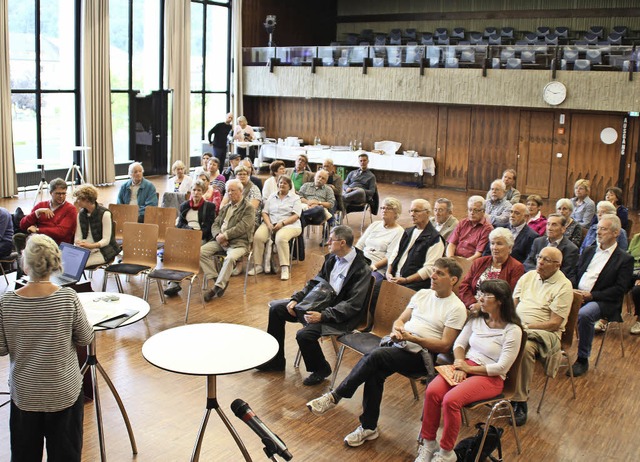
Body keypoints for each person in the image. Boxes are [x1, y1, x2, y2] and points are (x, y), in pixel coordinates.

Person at [306, 258, 467, 448]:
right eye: (434, 271)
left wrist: (412, 338)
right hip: (401, 345)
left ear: (454, 280)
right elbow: (401, 320)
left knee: (376, 356)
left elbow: (444, 346)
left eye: (440, 273)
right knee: (375, 372)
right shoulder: (423, 294)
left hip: (422, 356)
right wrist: (398, 330)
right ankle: (368, 427)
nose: (433, 276)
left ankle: (336, 396)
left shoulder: (456, 308)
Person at [0, 234, 94, 461]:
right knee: (65, 455)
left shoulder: (7, 301)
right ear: (55, 263)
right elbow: (85, 337)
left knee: (24, 455)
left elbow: (1, 349)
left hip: (25, 393)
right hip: (63, 392)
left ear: (25, 263)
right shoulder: (67, 298)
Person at [415, 279, 523, 462]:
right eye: (479, 293)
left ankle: (446, 453)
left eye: (486, 295)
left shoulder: (512, 330)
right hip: (466, 366)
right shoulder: (477, 319)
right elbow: (459, 344)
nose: (479, 298)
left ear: (500, 301)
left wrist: (468, 368)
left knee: (451, 400)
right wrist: (459, 363)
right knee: (433, 390)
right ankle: (428, 443)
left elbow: (503, 367)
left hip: (491, 376)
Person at [257, 225, 371, 386]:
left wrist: (324, 315)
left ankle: (321, 368)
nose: (328, 242)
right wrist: (296, 299)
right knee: (276, 309)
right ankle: (275, 361)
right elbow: (314, 283)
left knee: (304, 335)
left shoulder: (361, 269)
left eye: (331, 240)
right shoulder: (332, 258)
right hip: (319, 304)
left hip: (339, 316)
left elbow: (353, 305)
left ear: (343, 243)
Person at [510, 246, 573, 426]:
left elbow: (554, 323)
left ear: (557, 265)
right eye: (539, 257)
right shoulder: (528, 276)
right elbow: (512, 304)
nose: (540, 262)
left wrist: (526, 327)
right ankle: (489, 386)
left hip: (546, 333)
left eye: (546, 260)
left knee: (524, 348)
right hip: (519, 327)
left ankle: (520, 401)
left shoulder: (564, 286)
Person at [570, 214, 633, 377]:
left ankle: (582, 359)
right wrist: (573, 289)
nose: (598, 232)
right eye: (597, 229)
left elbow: (620, 289)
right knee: (549, 302)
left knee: (585, 315)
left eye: (603, 229)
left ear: (615, 233)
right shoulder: (590, 250)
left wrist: (591, 295)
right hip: (577, 293)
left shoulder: (624, 259)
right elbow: (576, 272)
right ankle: (546, 349)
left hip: (603, 300)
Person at [200, 179, 255, 300]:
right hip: (220, 240)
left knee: (230, 258)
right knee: (201, 252)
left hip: (239, 243)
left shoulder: (248, 208)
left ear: (241, 191)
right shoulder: (225, 207)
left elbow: (243, 227)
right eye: (228, 191)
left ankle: (216, 288)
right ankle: (218, 280)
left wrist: (225, 236)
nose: (230, 193)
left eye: (233, 190)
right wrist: (218, 236)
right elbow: (215, 224)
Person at [164, 180, 218, 297]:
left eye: (199, 190)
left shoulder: (209, 206)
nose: (196, 193)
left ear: (203, 192)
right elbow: (180, 225)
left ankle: (175, 282)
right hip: (186, 236)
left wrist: (196, 234)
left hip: (201, 237)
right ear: (191, 192)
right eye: (194, 190)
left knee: (182, 251)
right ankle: (174, 282)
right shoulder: (184, 206)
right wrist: (188, 229)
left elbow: (209, 227)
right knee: (175, 250)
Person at [248, 176, 302, 280]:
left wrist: (282, 223)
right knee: (258, 237)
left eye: (285, 183)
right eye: (280, 183)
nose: (282, 185)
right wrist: (268, 224)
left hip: (289, 224)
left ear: (289, 186)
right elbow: (264, 212)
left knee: (280, 238)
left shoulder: (295, 198)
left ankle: (284, 267)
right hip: (271, 222)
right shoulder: (272, 196)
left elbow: (296, 216)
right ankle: (258, 265)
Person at [385, 199, 445, 292]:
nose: (412, 214)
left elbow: (429, 269)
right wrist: (388, 273)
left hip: (414, 286)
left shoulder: (435, 239)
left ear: (428, 213)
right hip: (395, 280)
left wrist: (406, 280)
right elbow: (395, 254)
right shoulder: (408, 232)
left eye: (416, 211)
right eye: (411, 211)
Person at [459, 227, 525, 310]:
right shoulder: (479, 262)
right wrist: (472, 303)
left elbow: (508, 296)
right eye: (492, 243)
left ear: (509, 247)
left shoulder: (516, 267)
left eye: (499, 244)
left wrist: (482, 306)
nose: (494, 247)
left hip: (496, 311)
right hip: (471, 306)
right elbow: (464, 286)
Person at [355, 197, 404, 280]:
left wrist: (372, 267)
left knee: (364, 280)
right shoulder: (375, 225)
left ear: (396, 213)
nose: (384, 210)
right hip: (361, 261)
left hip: (377, 267)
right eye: (382, 208)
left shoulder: (399, 232)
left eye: (388, 208)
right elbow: (360, 245)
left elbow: (390, 257)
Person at [72, 184, 120, 267]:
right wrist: (79, 243)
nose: (77, 201)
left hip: (104, 250)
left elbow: (106, 240)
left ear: (86, 200)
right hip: (87, 248)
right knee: (67, 262)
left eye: (79, 199)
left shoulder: (105, 214)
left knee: (78, 264)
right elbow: (78, 235)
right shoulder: (80, 214)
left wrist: (91, 246)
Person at [19, 178, 77, 245]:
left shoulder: (70, 209)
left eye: (64, 193)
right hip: (39, 241)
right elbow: (22, 225)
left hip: (56, 244)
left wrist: (38, 230)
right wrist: (36, 213)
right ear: (51, 193)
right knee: (18, 237)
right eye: (58, 193)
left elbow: (62, 232)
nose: (61, 196)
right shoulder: (41, 206)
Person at [524, 214, 579, 284]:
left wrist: (543, 275)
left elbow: (565, 272)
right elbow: (528, 262)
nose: (549, 228)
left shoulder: (571, 249)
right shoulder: (538, 241)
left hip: (554, 283)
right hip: (534, 279)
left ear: (563, 229)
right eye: (548, 224)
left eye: (554, 225)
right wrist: (537, 274)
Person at [446, 196, 493, 261]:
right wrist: (451, 259)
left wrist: (463, 263)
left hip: (470, 262)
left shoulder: (487, 229)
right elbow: (452, 244)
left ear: (483, 211)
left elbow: (478, 254)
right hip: (454, 259)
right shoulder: (462, 222)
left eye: (476, 210)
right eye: (470, 209)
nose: (472, 213)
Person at [220, 164, 262, 229]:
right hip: (230, 215)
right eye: (240, 174)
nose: (242, 176)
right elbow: (223, 204)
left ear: (248, 176)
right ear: (235, 176)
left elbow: (251, 209)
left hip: (248, 219)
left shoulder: (254, 189)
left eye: (245, 174)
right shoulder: (231, 187)